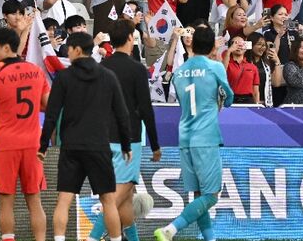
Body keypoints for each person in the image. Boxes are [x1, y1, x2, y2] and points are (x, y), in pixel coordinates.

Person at [38, 32, 131, 241]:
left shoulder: (63, 77)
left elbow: (51, 115)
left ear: (77, 50)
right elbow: (122, 114)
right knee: (108, 200)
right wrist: (126, 145)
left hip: (71, 145)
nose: (67, 53)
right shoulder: (108, 76)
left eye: (68, 49)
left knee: (64, 199)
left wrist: (42, 146)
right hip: (98, 145)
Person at [154, 26, 233, 241]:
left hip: (185, 136)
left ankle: (210, 239)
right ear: (211, 46)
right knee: (211, 196)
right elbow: (230, 98)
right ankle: (170, 229)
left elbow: (183, 101)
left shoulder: (179, 71)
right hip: (206, 137)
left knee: (198, 195)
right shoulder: (215, 67)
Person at [86, 19, 161, 240]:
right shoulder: (137, 68)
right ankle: (92, 237)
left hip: (104, 138)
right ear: (131, 38)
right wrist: (155, 144)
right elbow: (146, 108)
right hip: (129, 139)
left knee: (127, 197)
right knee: (116, 198)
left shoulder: (102, 67)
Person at [0, 28, 52, 241]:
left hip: (6, 145)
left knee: (6, 200)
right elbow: (48, 105)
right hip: (32, 143)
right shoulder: (36, 71)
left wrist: (2, 105)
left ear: (5, 47)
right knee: (35, 200)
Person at [224, 35, 261, 104]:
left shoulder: (252, 67)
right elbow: (222, 72)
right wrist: (228, 51)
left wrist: (257, 105)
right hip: (231, 99)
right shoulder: (226, 64)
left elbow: (255, 90)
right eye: (235, 43)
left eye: (242, 43)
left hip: (248, 100)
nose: (239, 46)